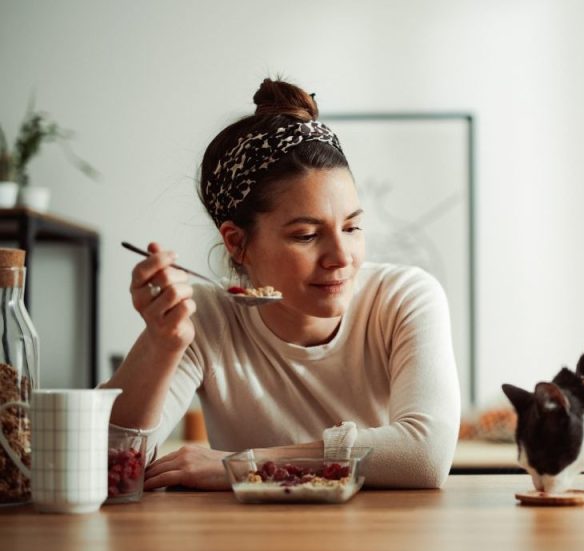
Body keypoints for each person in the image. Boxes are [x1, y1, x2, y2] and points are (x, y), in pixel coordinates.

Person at [102, 78, 460, 490]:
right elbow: (114, 465)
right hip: (250, 548)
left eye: (352, 226)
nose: (341, 257)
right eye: (306, 235)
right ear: (237, 243)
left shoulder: (403, 298)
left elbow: (425, 455)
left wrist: (245, 464)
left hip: (378, 545)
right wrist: (161, 344)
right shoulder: (204, 319)